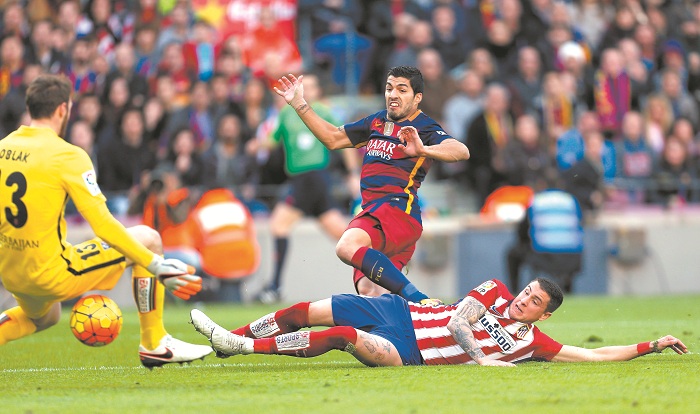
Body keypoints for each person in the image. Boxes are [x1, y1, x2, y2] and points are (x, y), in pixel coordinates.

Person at [0, 74, 212, 368]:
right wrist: (155, 264)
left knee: (45, 317)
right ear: (64, 109)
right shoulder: (68, 155)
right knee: (149, 239)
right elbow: (103, 224)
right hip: (52, 274)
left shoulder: (3, 148)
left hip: (12, 273)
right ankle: (155, 343)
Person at [273, 67, 470, 301]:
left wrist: (423, 149)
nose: (393, 94)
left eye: (402, 89)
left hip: (397, 211)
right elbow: (333, 139)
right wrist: (299, 104)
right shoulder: (376, 121)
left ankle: (419, 298)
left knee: (346, 247)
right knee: (370, 294)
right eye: (389, 88)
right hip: (377, 214)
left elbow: (462, 150)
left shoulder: (424, 127)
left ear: (417, 98)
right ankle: (414, 321)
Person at [189, 277, 688, 367]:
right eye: (525, 292)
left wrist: (652, 344)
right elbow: (459, 324)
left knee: (339, 337)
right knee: (306, 310)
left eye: (533, 301)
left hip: (410, 355)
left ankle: (240, 349)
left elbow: (595, 353)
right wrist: (481, 361)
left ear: (545, 314)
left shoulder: (533, 343)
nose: (521, 300)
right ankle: (238, 334)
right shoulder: (492, 290)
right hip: (401, 313)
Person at [256, 74, 356, 303]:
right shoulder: (285, 112)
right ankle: (379, 265)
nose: (307, 90)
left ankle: (275, 287)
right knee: (341, 236)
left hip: (312, 178)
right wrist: (256, 144)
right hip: (303, 181)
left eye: (312, 86)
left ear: (318, 91)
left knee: (278, 225)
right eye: (304, 86)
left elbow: (345, 141)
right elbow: (272, 140)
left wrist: (352, 174)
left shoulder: (324, 110)